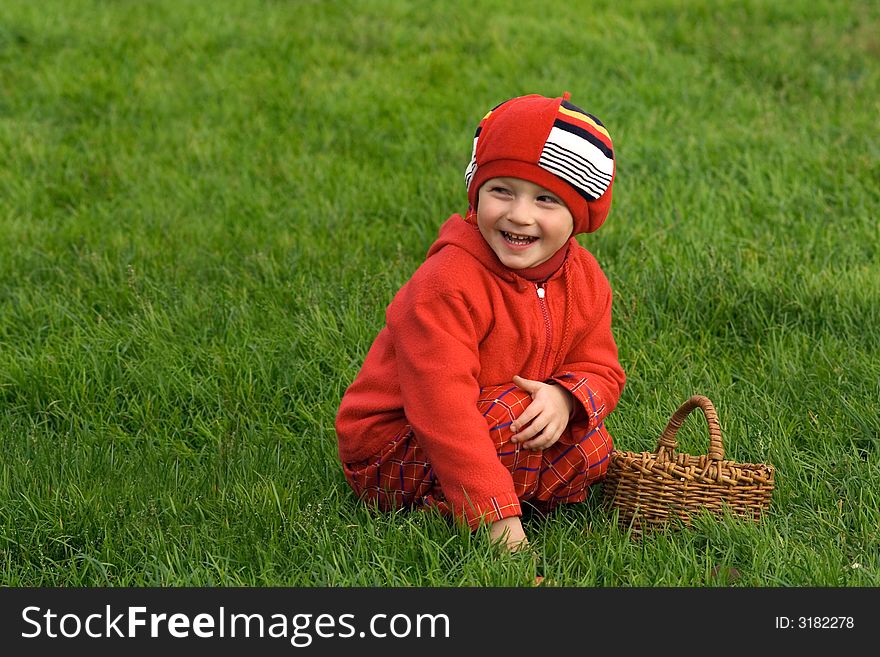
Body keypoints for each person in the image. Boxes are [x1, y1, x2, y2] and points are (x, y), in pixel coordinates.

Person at [335, 92, 625, 551]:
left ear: (581, 216)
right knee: (510, 415)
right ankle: (463, 506)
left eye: (547, 199)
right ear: (476, 191)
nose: (519, 214)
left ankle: (502, 488)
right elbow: (443, 410)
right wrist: (499, 526)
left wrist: (565, 398)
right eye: (501, 190)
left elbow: (602, 369)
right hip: (397, 446)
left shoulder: (584, 278)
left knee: (591, 444)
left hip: (493, 418)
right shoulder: (447, 283)